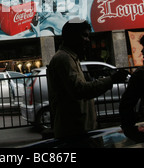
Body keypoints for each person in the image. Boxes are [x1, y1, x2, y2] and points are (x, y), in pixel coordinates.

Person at [46, 18, 128, 146]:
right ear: (72, 36)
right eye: (84, 36)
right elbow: (80, 90)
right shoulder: (63, 59)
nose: (87, 40)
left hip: (80, 130)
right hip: (74, 133)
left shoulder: (72, 58)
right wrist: (111, 79)